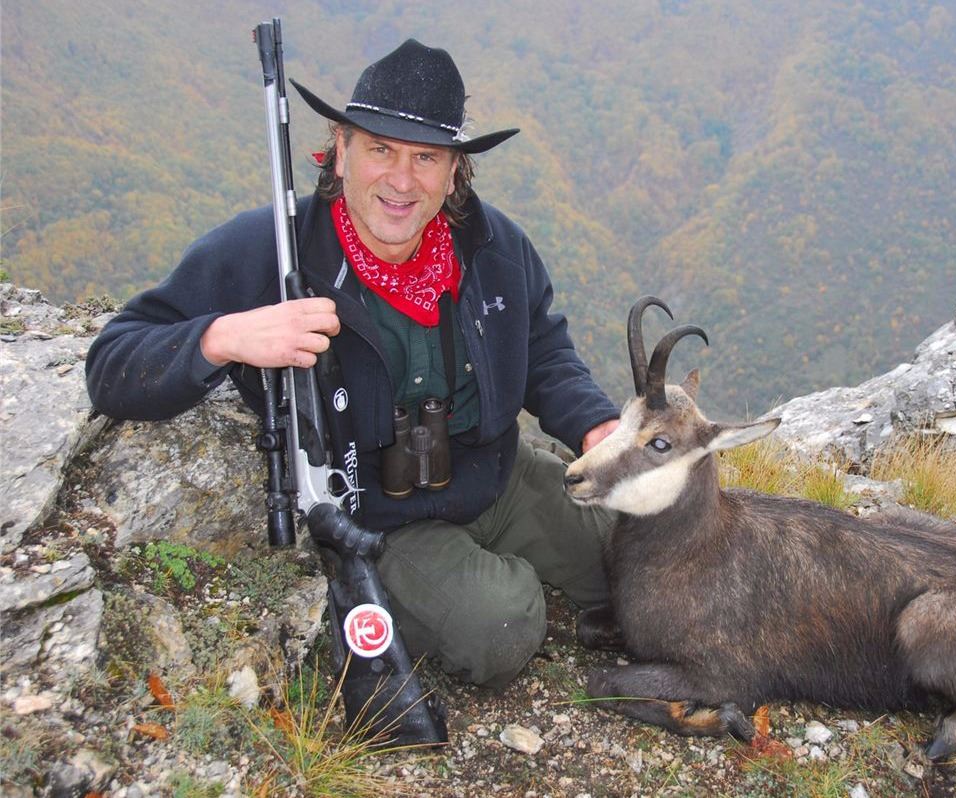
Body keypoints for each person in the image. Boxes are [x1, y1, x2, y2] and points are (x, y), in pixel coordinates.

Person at [85, 39, 620, 689]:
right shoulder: (274, 252)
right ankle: (481, 590)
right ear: (340, 152)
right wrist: (224, 336)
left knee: (644, 552)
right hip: (380, 520)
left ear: (455, 172)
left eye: (426, 157)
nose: (402, 179)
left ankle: (529, 567)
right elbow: (112, 363)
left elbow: (543, 348)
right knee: (502, 625)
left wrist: (593, 424)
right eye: (380, 149)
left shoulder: (493, 246)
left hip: (496, 473)